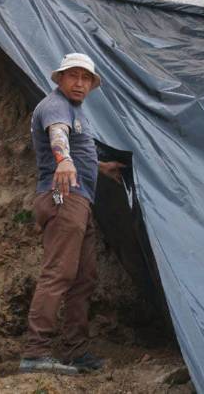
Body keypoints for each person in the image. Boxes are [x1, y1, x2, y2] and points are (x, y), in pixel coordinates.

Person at [19, 53, 126, 375]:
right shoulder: (56, 106)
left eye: (85, 78)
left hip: (77, 200)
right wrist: (63, 160)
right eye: (73, 76)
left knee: (83, 277)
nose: (79, 83)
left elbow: (75, 145)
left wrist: (100, 166)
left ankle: (74, 349)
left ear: (92, 84)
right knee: (59, 273)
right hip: (62, 197)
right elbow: (58, 135)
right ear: (60, 79)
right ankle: (36, 352)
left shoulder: (75, 110)